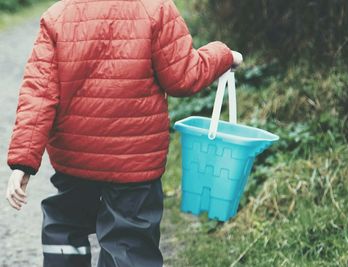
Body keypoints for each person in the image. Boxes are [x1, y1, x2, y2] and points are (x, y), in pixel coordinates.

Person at [4, 0, 243, 266]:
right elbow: (182, 77)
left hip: (75, 160)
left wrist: (23, 162)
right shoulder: (157, 8)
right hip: (135, 163)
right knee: (129, 241)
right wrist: (223, 55)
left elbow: (39, 92)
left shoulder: (59, 14)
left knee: (66, 226)